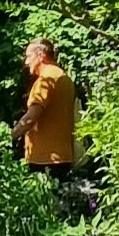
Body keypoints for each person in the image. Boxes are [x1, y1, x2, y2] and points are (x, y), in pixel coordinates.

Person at [18, 36, 82, 170]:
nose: (26, 61)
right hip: (63, 155)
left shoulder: (46, 80)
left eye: (29, 56)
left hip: (44, 158)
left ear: (41, 55)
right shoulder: (64, 77)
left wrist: (8, 137)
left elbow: (30, 118)